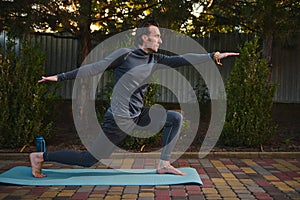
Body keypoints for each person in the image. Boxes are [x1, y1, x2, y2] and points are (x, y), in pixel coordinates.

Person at [30, 20, 239, 178]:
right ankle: (41, 157)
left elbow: (184, 59)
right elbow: (93, 68)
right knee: (88, 160)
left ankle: (163, 164)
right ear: (143, 37)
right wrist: (60, 77)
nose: (161, 40)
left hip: (138, 115)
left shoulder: (156, 59)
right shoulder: (125, 55)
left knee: (174, 118)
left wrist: (213, 56)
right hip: (119, 120)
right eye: (156, 36)